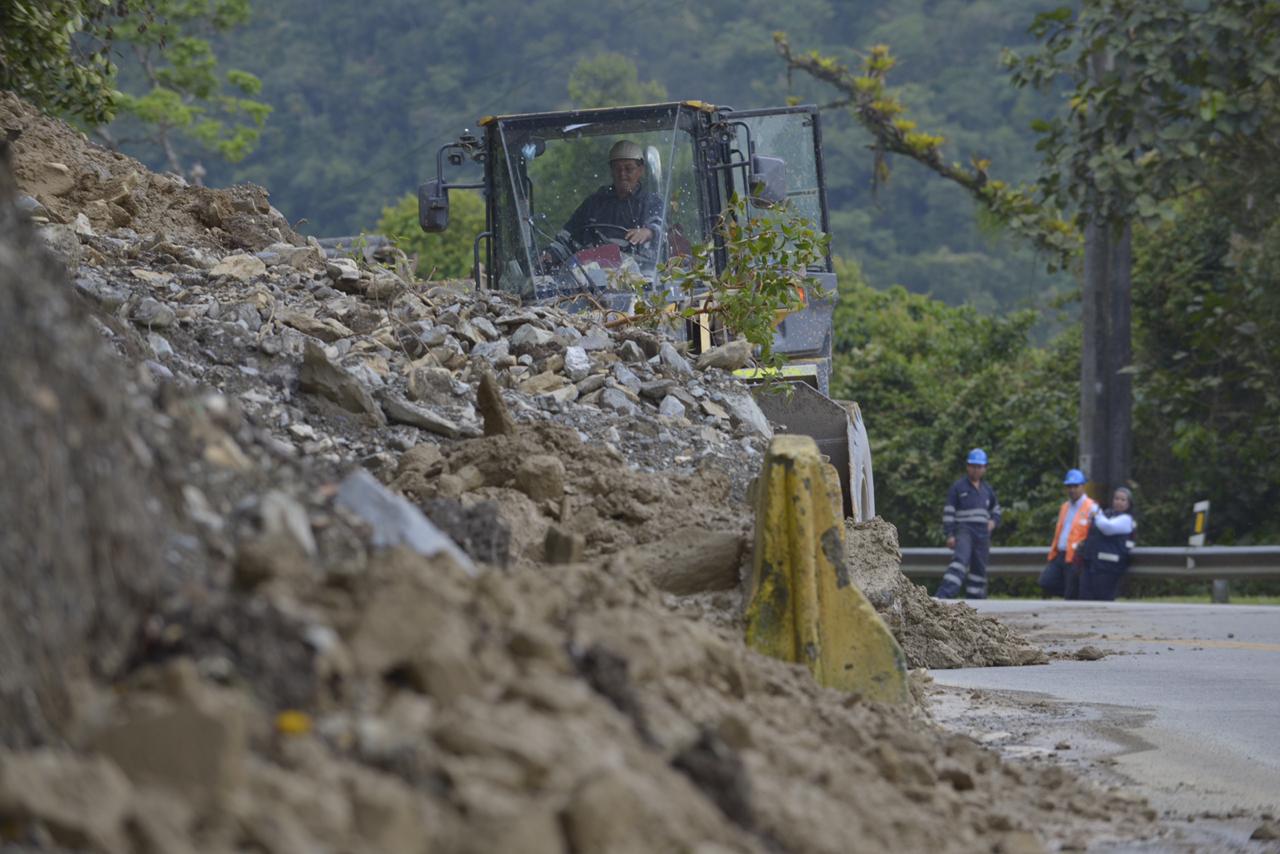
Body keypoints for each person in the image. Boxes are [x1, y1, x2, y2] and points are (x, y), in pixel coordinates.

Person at [540, 140, 664, 270]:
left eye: (628, 169)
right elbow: (568, 237)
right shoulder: (594, 204)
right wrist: (550, 254)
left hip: (642, 278)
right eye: (618, 169)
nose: (622, 175)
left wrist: (649, 232)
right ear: (611, 170)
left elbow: (660, 228)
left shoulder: (652, 202)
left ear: (641, 170)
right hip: (593, 280)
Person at [936, 448, 1002, 599]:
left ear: (985, 468)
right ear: (967, 466)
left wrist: (993, 522)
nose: (976, 470)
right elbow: (949, 512)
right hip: (964, 530)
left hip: (982, 533)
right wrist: (950, 534)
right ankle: (944, 596)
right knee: (960, 560)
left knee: (979, 567)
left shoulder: (987, 490)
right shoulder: (958, 487)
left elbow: (996, 510)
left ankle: (976, 600)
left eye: (980, 467)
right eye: (973, 466)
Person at [1038, 468, 1100, 599]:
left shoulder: (1091, 507)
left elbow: (1096, 533)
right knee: (1046, 582)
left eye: (1075, 486)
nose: (1072, 490)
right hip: (1060, 554)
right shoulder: (1065, 506)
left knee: (1070, 595)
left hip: (1076, 557)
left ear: (1083, 486)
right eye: (1069, 486)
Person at [1078, 487, 1137, 601]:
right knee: (1085, 600)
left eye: (1123, 500)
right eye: (1116, 498)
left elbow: (1108, 528)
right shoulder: (1107, 514)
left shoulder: (1126, 519)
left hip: (1109, 569)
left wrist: (1096, 513)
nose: (1118, 501)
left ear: (1129, 504)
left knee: (1103, 602)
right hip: (1093, 565)